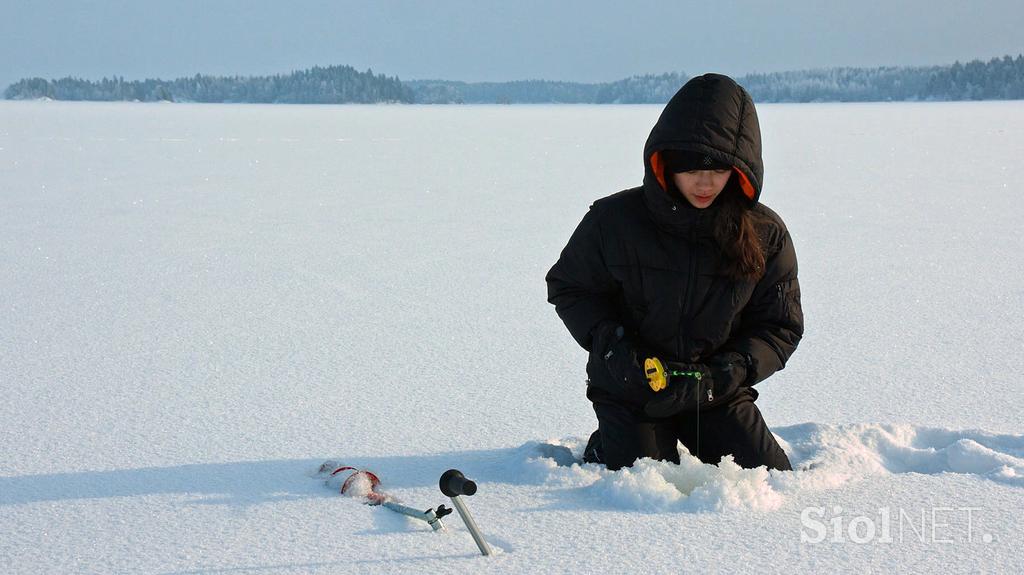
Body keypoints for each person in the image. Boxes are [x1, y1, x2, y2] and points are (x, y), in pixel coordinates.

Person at [545, 73, 802, 471]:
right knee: (647, 476)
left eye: (719, 168)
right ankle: (611, 441)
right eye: (690, 167)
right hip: (633, 386)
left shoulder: (765, 233)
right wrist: (613, 346)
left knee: (768, 476)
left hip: (714, 392)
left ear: (740, 168)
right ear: (665, 161)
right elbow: (570, 286)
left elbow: (779, 325)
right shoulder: (614, 220)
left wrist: (731, 371)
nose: (705, 181)